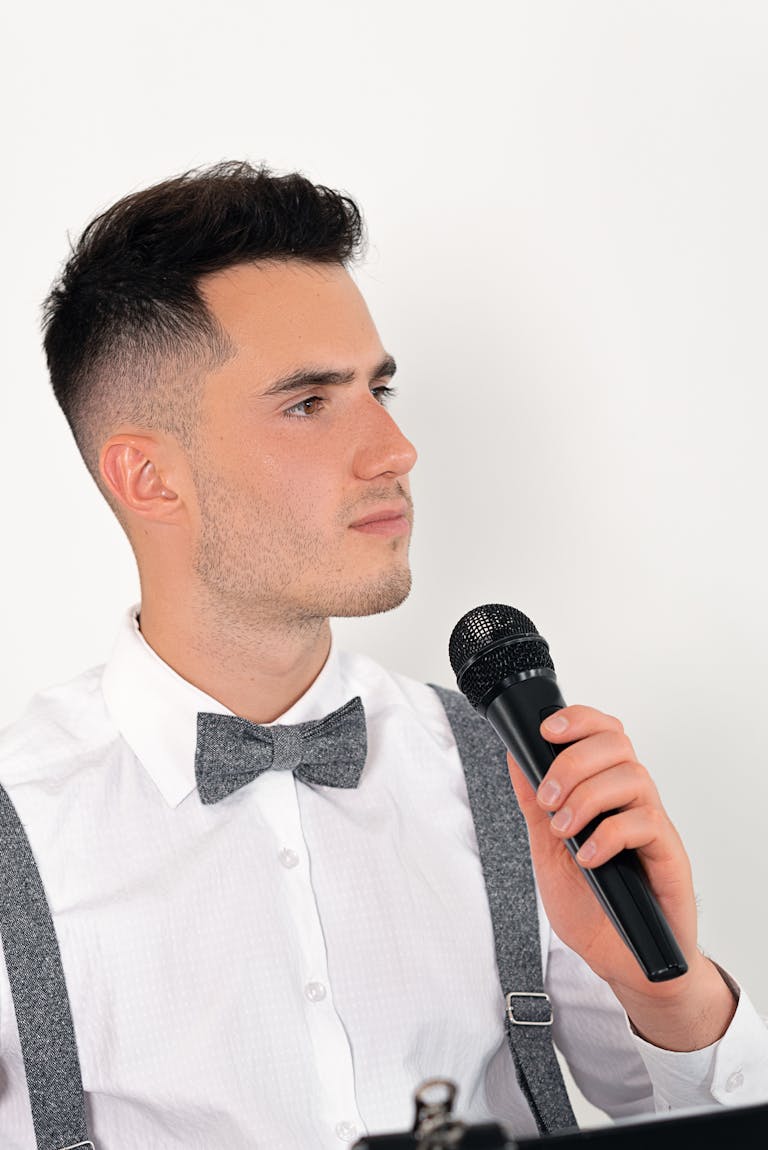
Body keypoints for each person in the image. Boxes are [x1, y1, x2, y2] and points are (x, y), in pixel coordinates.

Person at [0, 162, 765, 1150]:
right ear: (150, 476)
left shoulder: (510, 774)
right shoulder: (20, 817)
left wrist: (663, 983)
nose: (396, 447)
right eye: (310, 403)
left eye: (380, 387)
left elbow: (708, 1119)